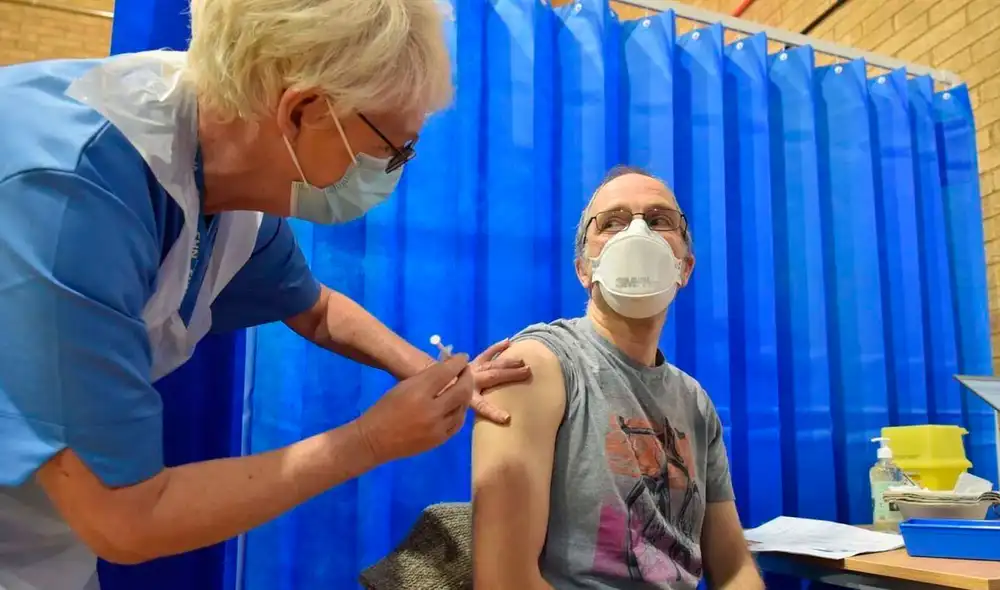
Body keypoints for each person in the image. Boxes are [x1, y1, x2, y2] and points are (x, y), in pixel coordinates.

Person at [0, 1, 531, 588]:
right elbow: (128, 519)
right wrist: (369, 440)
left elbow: (317, 309)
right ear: (303, 109)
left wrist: (436, 376)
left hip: (50, 547)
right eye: (393, 150)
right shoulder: (70, 196)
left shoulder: (222, 177)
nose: (391, 170)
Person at [471, 166, 763, 589]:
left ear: (685, 267)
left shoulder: (695, 403)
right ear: (583, 269)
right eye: (613, 222)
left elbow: (735, 567)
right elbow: (505, 583)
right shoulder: (536, 367)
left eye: (660, 220)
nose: (638, 234)